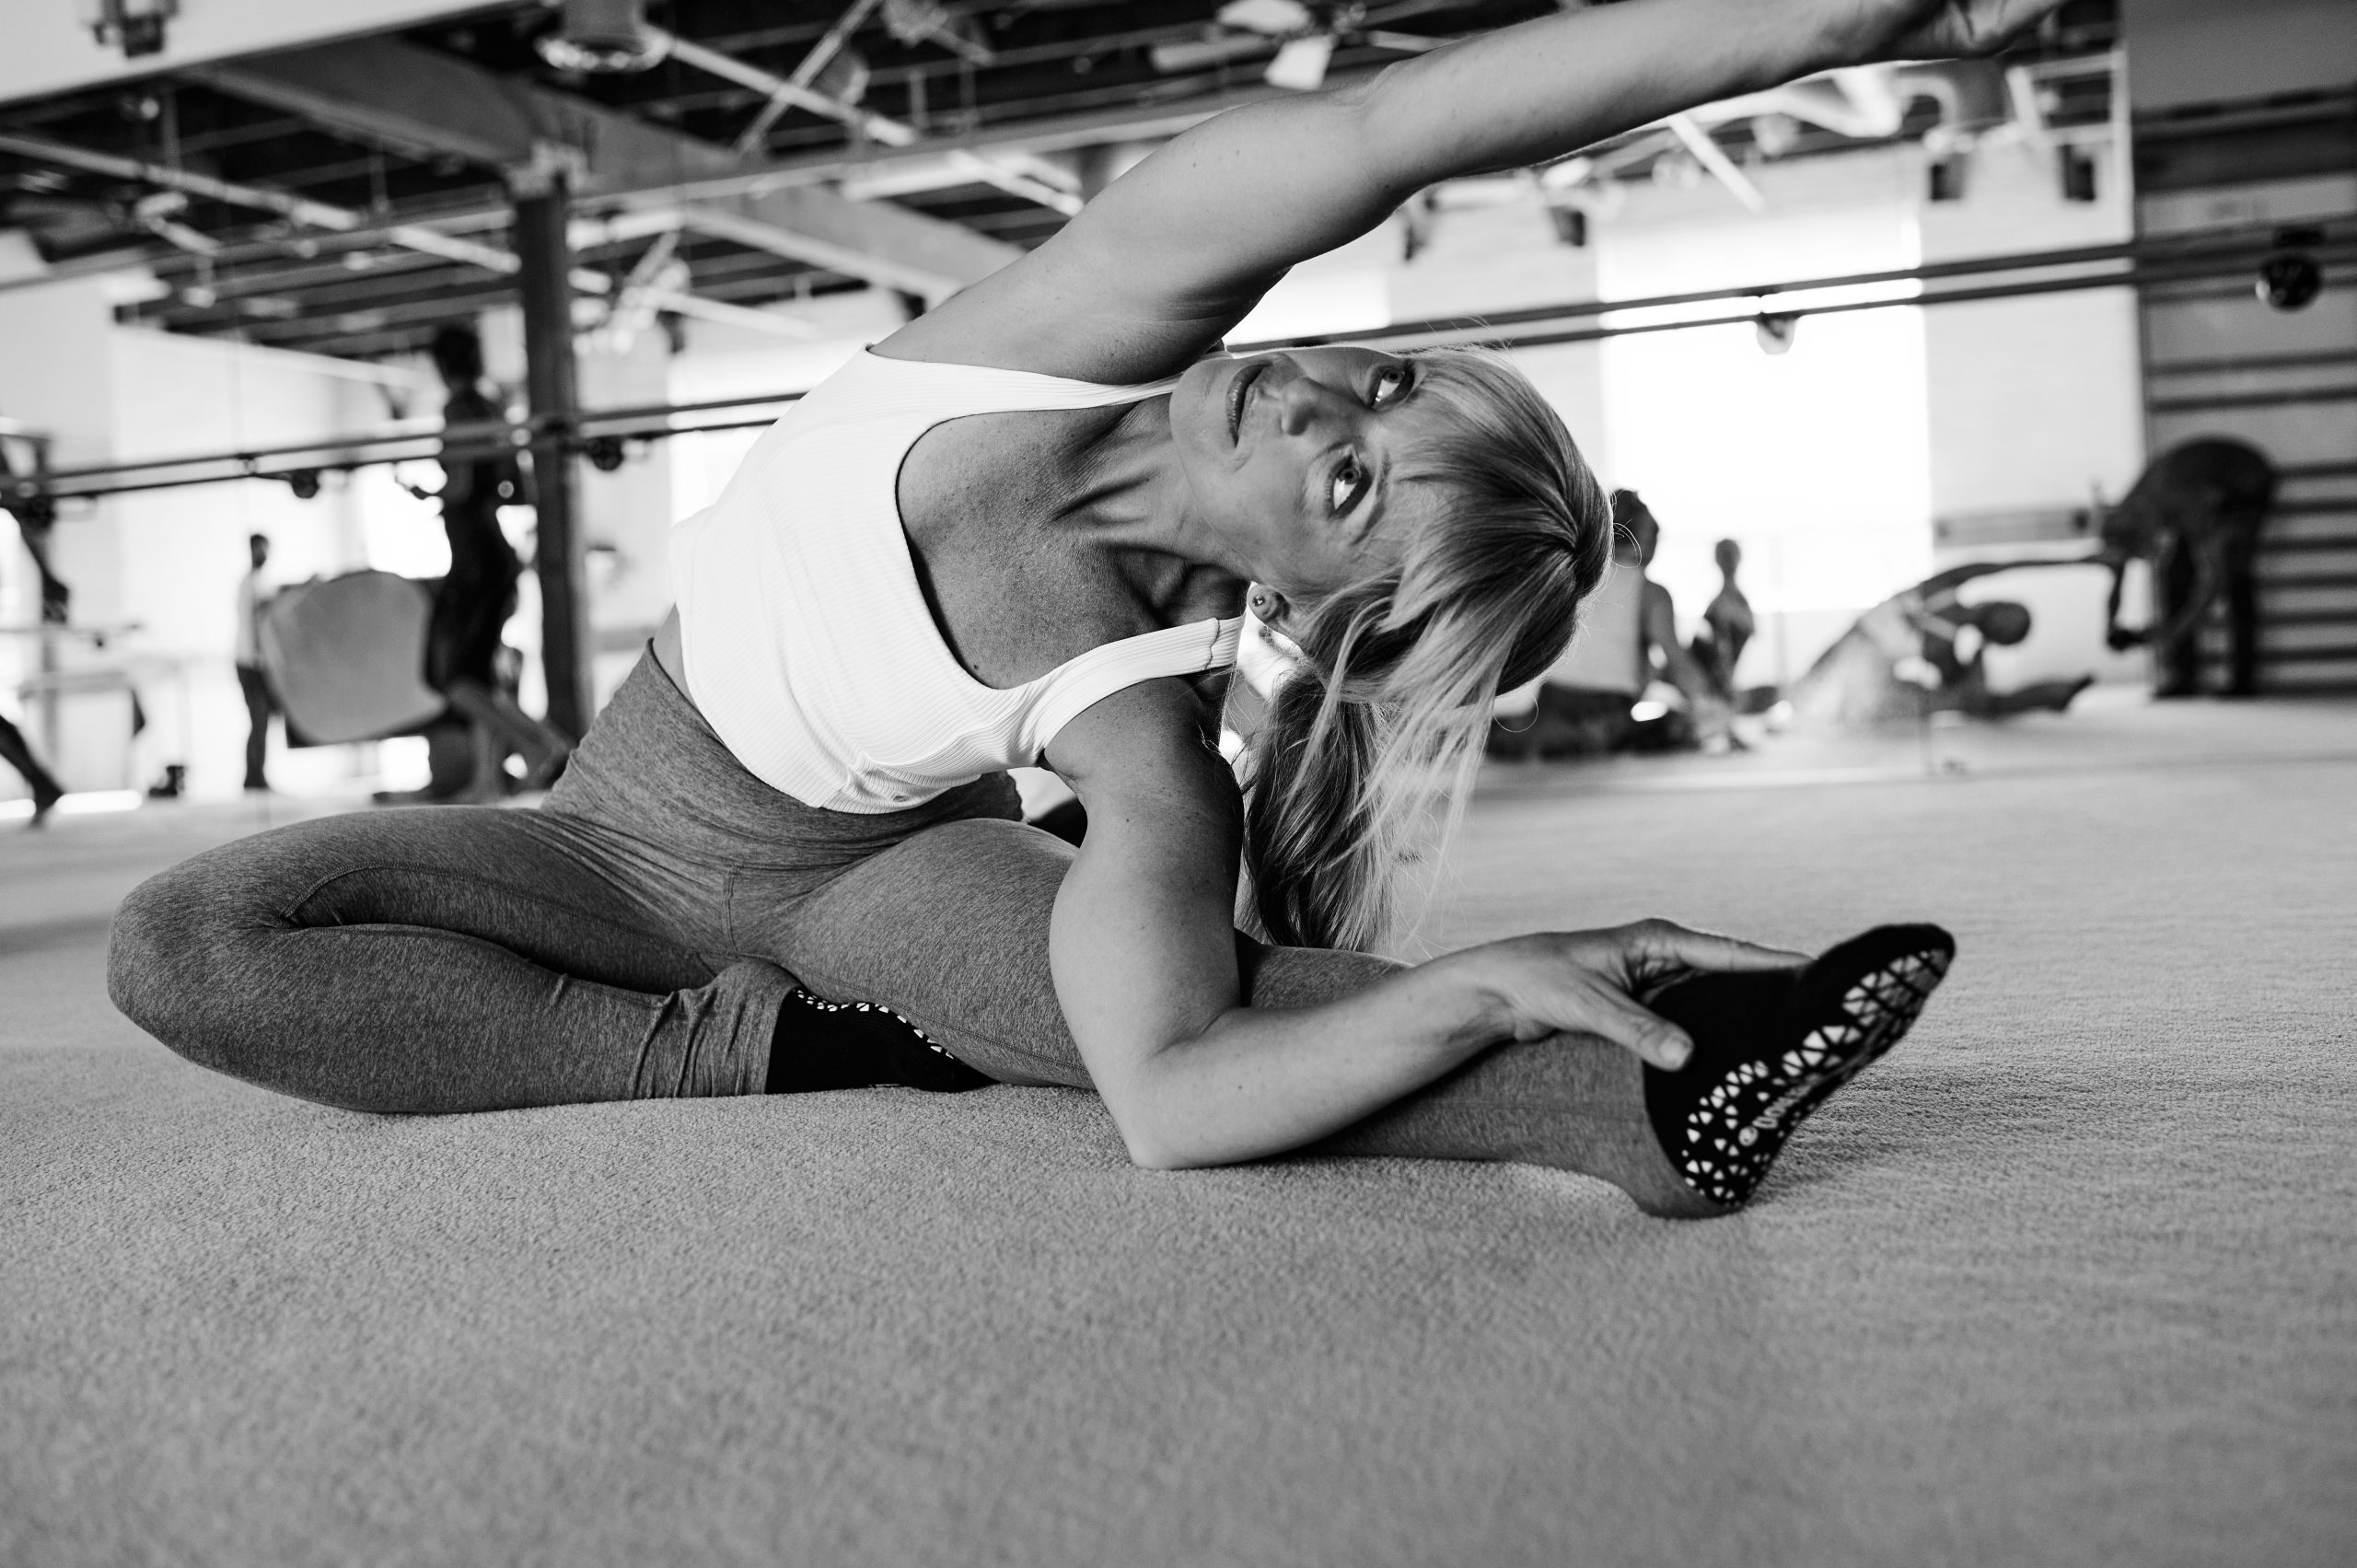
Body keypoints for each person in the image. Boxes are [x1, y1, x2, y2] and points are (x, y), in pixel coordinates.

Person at [110, 0, 2049, 1219]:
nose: (1316, 404)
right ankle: (740, 1046)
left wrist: (1479, 974)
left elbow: (1179, 1104)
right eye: (1383, 386)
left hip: (875, 881)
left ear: (1322, 602)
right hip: (609, 838)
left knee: (1196, 1013)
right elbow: (1415, 126)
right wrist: (1862, 18)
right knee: (189, 941)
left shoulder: (1148, 746)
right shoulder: (1077, 324)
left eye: (1351, 486)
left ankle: (1665, 1081)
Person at [420, 325, 572, 798]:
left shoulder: (458, 410)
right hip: (496, 553)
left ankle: (540, 746)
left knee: (451, 678)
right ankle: (490, 779)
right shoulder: (492, 410)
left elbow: (461, 484)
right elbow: (516, 487)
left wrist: (431, 493)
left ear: (441, 365)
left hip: (474, 558)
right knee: (481, 679)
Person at [1489, 490, 1732, 758]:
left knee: (1514, 732)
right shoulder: (1651, 593)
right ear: (1647, 540)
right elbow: (1678, 662)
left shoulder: (1570, 579)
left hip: (1549, 709)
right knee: (1683, 725)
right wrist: (1714, 704)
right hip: (1607, 720)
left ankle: (1542, 742)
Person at [1789, 562, 2095, 728]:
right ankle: (2053, 694)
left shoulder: (1942, 587)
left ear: (1996, 602)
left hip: (1845, 666)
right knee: (1972, 703)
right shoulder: (1942, 649)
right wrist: (1980, 652)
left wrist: (2077, 560)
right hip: (1855, 693)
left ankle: (2053, 694)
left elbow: (2001, 564)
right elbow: (1962, 689)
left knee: (1799, 696)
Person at [2097, 437, 2276, 699]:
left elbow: (2213, 581)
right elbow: (2118, 572)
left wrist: (2171, 632)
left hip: (2245, 481)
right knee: (2175, 573)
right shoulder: (2128, 515)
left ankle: (2243, 679)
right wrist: (2110, 625)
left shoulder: (2183, 503)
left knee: (2234, 576)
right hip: (2202, 483)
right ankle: (2183, 677)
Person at [234, 533, 275, 793]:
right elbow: (263, 613)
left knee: (262, 721)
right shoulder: (249, 583)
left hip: (257, 662)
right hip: (249, 662)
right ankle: (253, 778)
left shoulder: (261, 582)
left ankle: (256, 776)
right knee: (259, 719)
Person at [1690, 537, 1756, 702]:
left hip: (1726, 683)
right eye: (1725, 556)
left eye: (1730, 555)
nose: (1729, 561)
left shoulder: (1733, 602)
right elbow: (1721, 648)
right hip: (1720, 684)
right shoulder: (1723, 604)